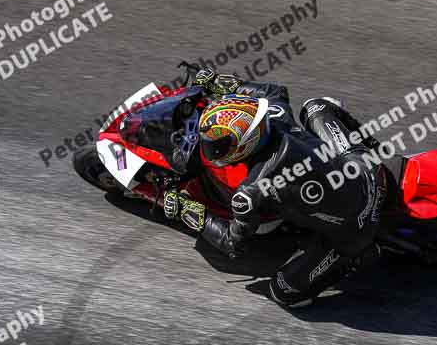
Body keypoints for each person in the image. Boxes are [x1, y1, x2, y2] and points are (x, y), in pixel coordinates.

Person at [163, 70, 388, 308]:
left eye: (217, 145)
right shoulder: (275, 113)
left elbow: (232, 243)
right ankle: (377, 149)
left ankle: (354, 258)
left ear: (244, 143)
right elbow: (273, 91)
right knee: (316, 106)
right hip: (366, 168)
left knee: (283, 291)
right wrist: (221, 83)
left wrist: (186, 211)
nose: (211, 149)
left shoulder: (251, 191)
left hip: (357, 225)